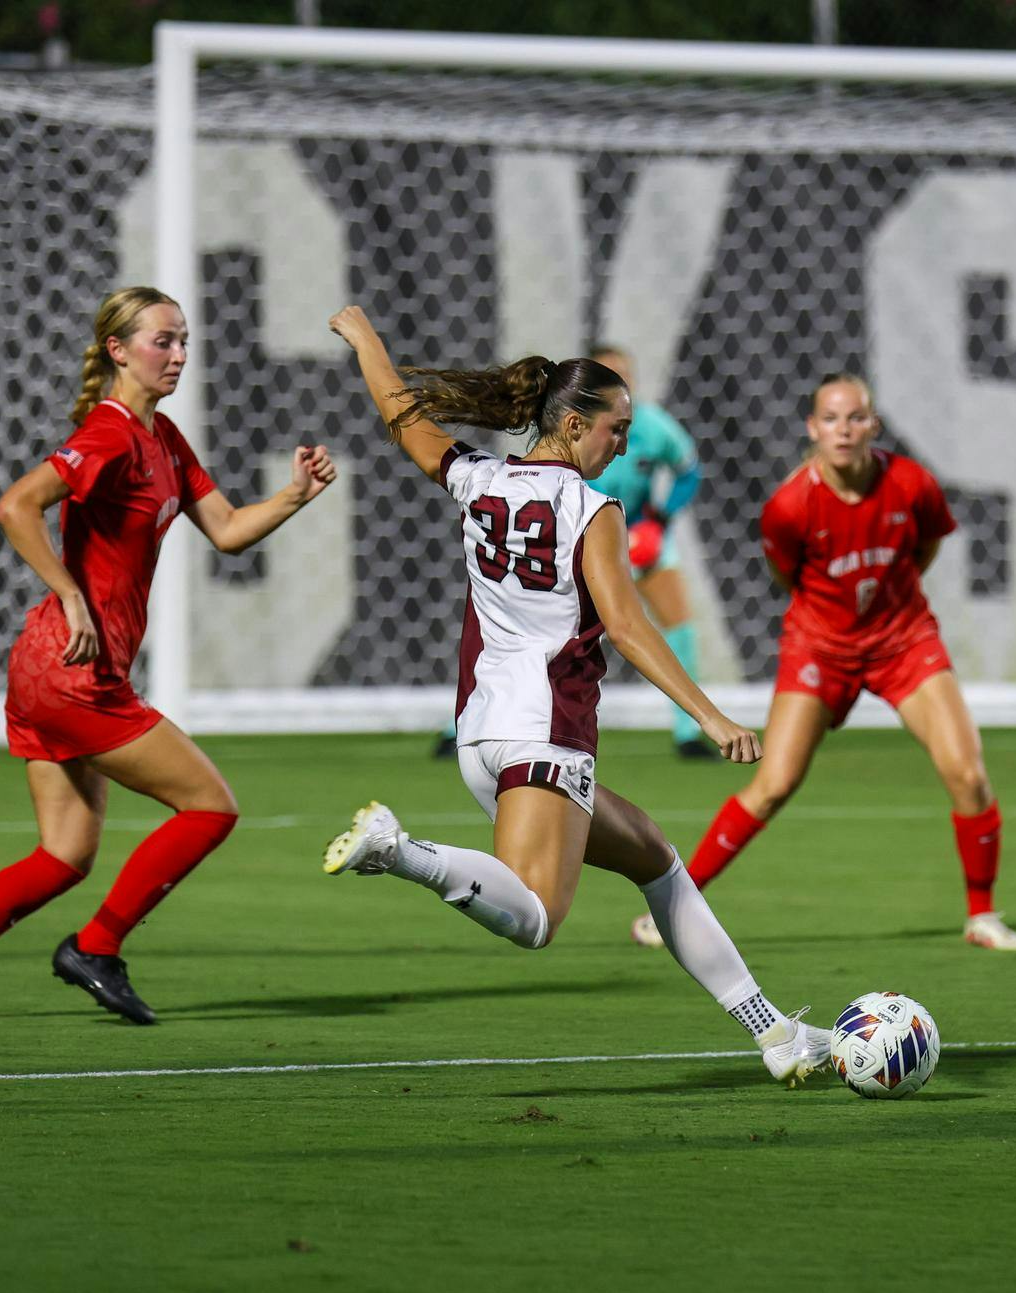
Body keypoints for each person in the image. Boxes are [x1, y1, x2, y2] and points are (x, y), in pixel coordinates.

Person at [320, 304, 832, 1087]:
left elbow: (403, 418)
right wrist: (709, 714)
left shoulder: (479, 476)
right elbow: (627, 626)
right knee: (535, 918)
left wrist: (367, 342)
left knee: (657, 856)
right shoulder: (589, 509)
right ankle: (400, 849)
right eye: (614, 430)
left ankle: (774, 1031)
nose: (621, 444)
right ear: (569, 422)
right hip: (543, 735)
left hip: (483, 735)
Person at [0, 285, 337, 1024]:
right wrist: (66, 592)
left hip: (48, 670)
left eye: (184, 340)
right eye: (162, 340)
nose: (179, 354)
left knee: (64, 853)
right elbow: (15, 504)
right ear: (118, 350)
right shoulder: (111, 432)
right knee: (210, 806)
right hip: (70, 672)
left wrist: (294, 495)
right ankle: (97, 947)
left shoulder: (162, 438)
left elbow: (224, 529)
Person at [631, 373, 1016, 953]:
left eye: (856, 417)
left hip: (904, 642)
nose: (844, 430)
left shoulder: (912, 485)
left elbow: (925, 549)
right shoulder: (790, 507)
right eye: (831, 419)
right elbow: (786, 576)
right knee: (773, 784)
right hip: (819, 649)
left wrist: (887, 607)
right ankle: (675, 908)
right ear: (813, 428)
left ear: (874, 424)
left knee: (968, 774)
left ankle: (982, 916)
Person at [432, 344, 712, 759]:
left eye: (626, 373)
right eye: (611, 372)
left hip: (636, 536)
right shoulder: (565, 470)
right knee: (520, 619)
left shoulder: (653, 426)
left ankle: (687, 733)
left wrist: (657, 517)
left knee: (678, 621)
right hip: (576, 535)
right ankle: (456, 725)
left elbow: (689, 472)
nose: (621, 442)